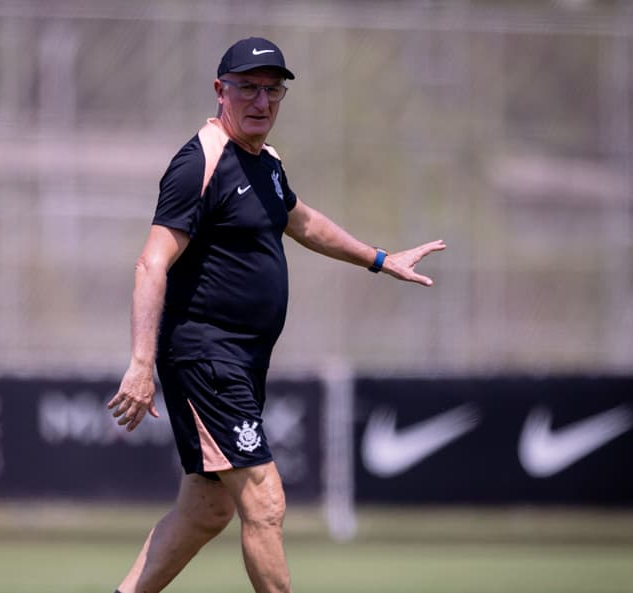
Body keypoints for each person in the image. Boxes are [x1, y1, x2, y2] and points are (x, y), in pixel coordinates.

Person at [107, 36, 445, 593]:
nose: (261, 102)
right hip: (204, 356)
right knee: (265, 502)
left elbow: (302, 221)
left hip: (240, 361)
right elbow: (151, 263)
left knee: (207, 509)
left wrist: (381, 259)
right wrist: (141, 365)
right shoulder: (200, 163)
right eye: (247, 88)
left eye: (273, 90)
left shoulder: (266, 163)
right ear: (220, 91)